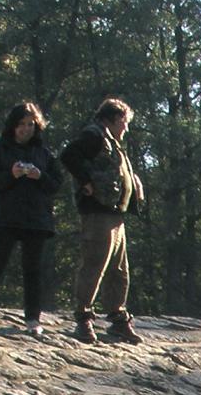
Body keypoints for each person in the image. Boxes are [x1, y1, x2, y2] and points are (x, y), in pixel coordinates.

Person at [0, 102, 62, 335]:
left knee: (33, 269)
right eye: (21, 124)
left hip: (36, 219)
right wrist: (11, 175)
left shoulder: (44, 154)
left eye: (30, 124)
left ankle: (33, 319)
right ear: (13, 126)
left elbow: (56, 184)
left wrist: (39, 176)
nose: (25, 129)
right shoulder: (0, 150)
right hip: (6, 217)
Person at [60, 98, 143, 345]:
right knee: (94, 263)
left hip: (115, 214)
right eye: (125, 123)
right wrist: (86, 182)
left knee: (119, 269)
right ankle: (83, 317)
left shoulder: (110, 141)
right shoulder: (94, 136)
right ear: (115, 118)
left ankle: (118, 318)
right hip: (98, 213)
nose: (126, 128)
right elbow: (69, 155)